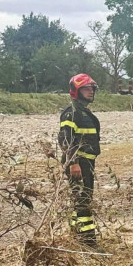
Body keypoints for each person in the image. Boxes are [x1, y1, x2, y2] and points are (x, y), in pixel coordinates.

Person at [59, 74, 101, 249]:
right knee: (83, 202)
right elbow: (65, 139)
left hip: (87, 164)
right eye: (86, 88)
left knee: (81, 200)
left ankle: (76, 237)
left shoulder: (84, 112)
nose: (90, 91)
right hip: (79, 164)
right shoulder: (72, 113)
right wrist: (73, 163)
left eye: (92, 88)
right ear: (76, 91)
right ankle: (88, 243)